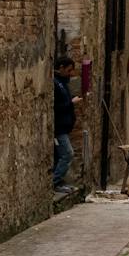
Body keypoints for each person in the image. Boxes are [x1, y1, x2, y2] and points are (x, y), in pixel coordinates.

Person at [52, 56, 78, 190]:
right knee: (67, 153)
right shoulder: (56, 84)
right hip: (59, 128)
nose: (71, 74)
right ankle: (54, 182)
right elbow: (56, 106)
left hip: (64, 127)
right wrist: (71, 103)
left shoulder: (62, 83)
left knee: (60, 155)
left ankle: (57, 181)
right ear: (61, 68)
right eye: (69, 70)